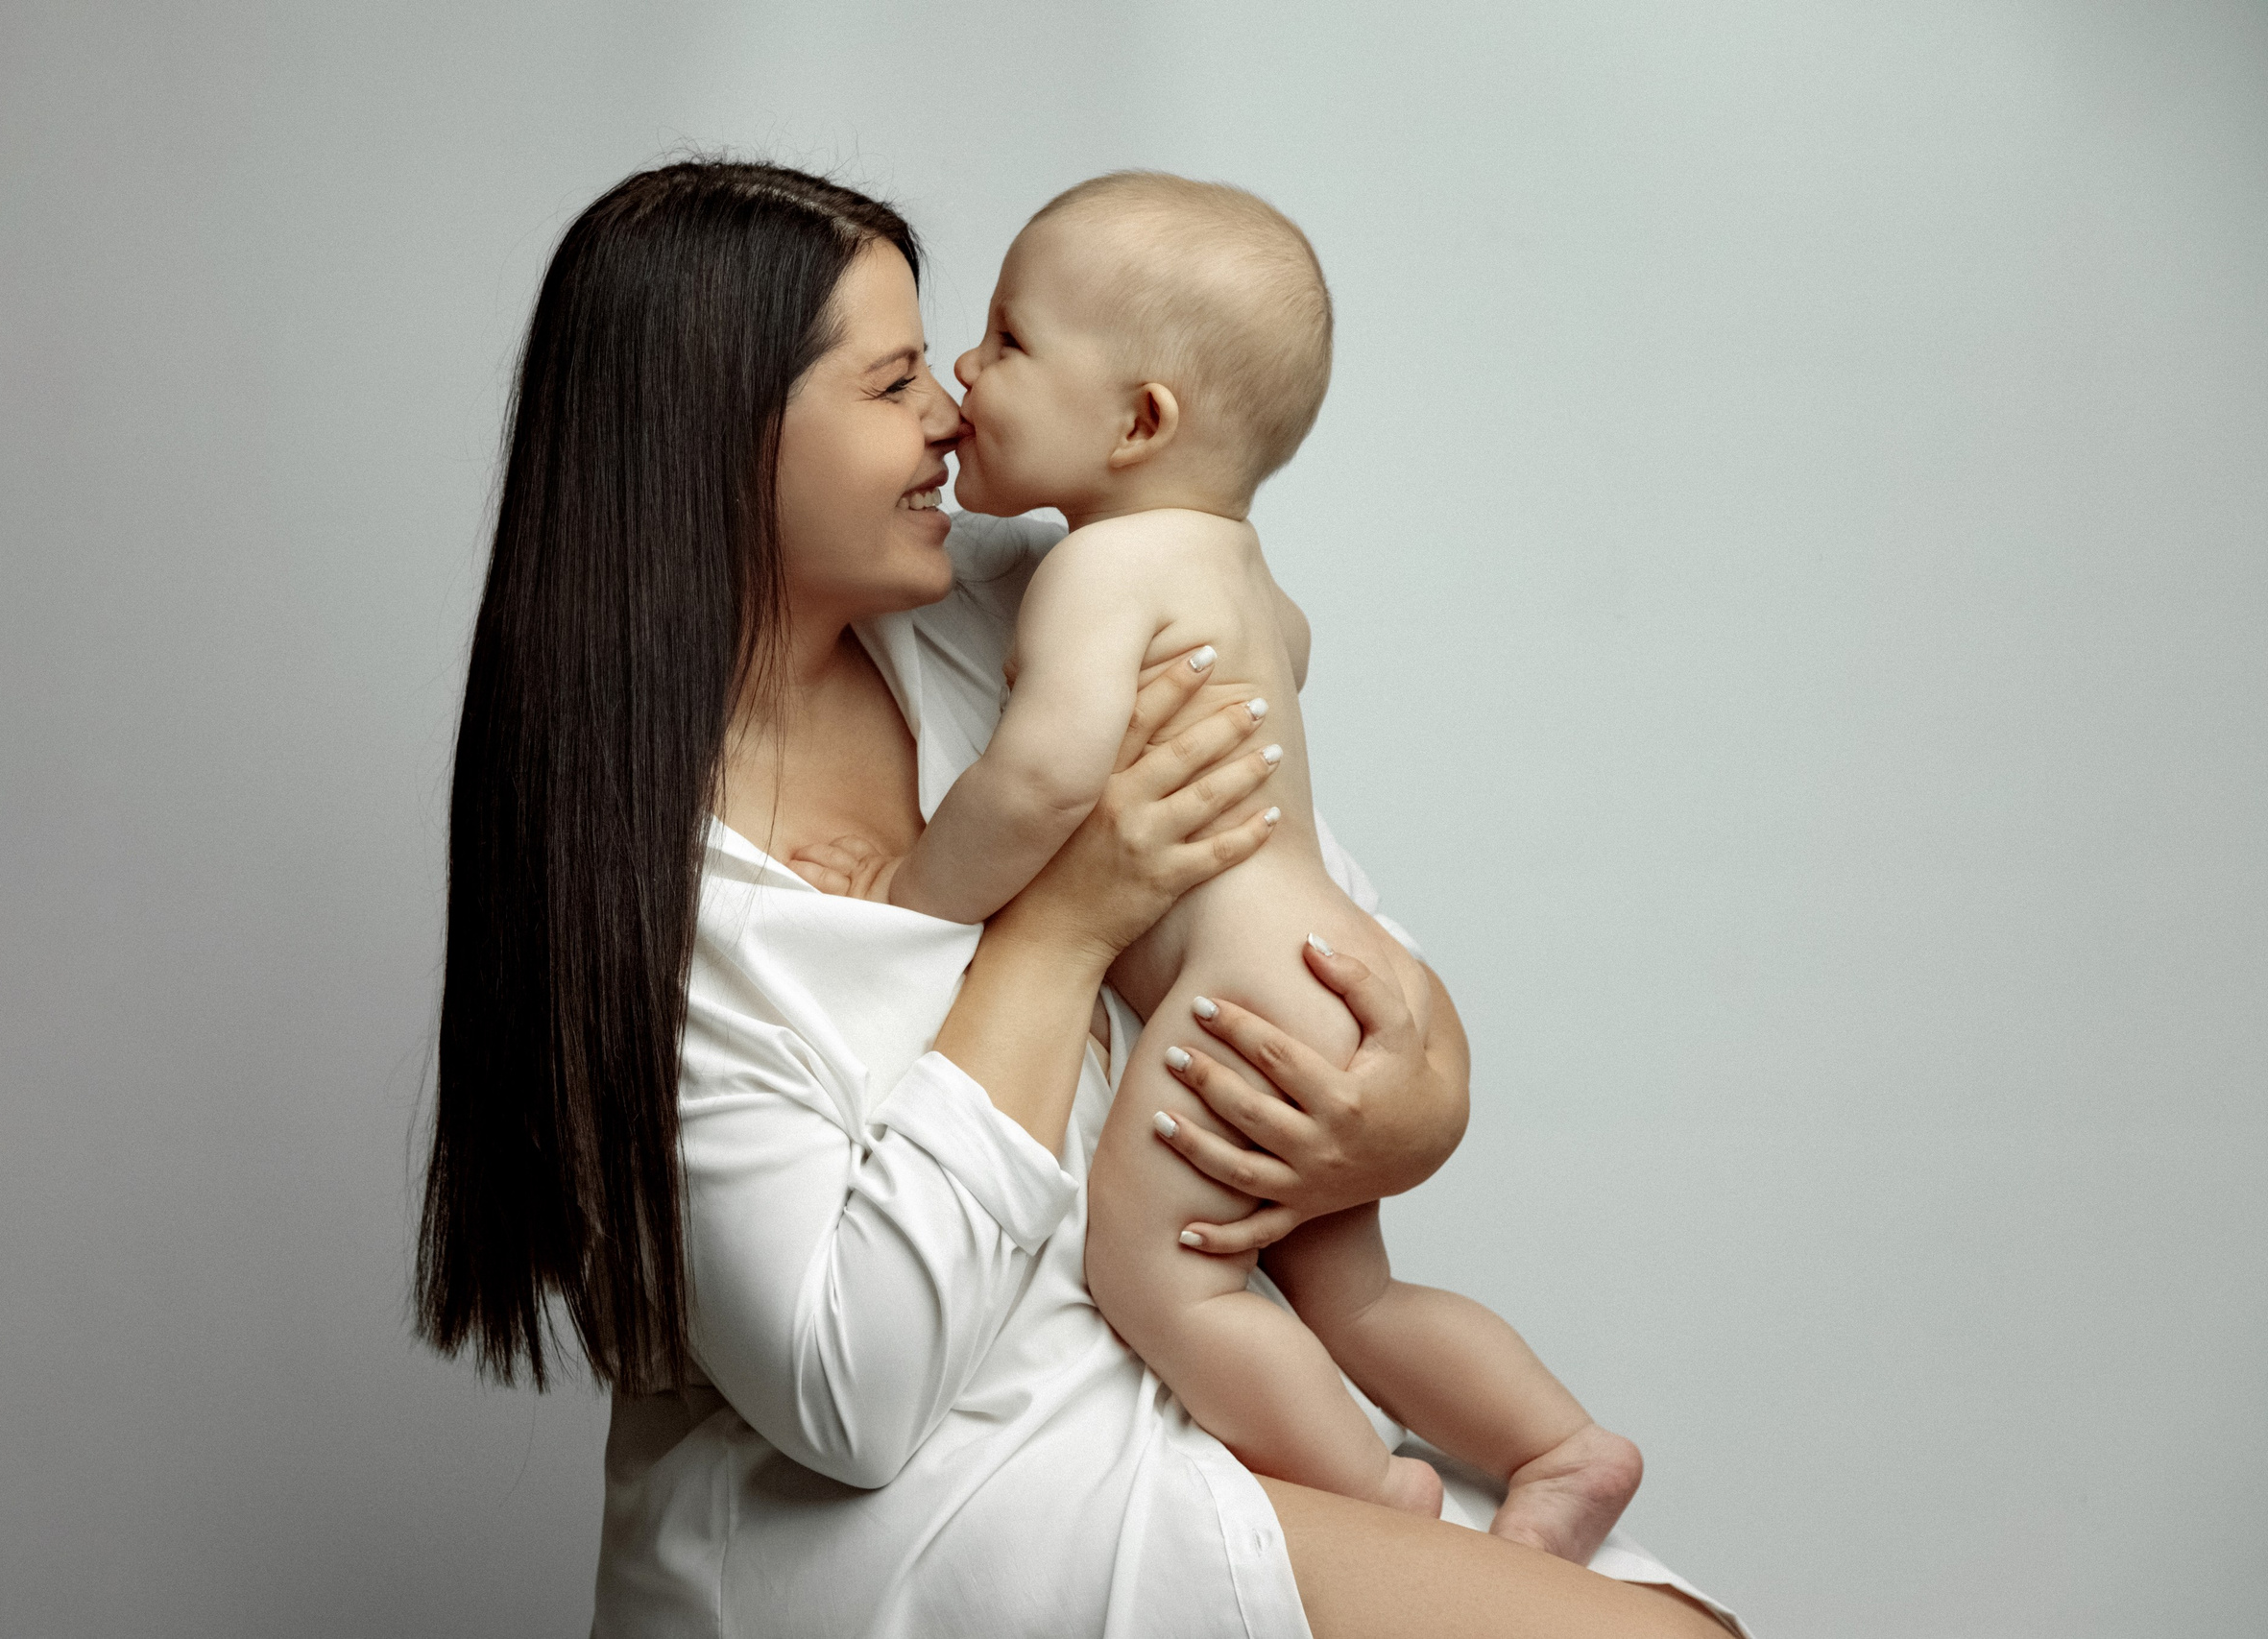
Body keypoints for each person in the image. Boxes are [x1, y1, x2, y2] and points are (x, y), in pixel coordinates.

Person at [416, 159, 1744, 1638]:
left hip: (1181, 1394)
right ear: (720, 440)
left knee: (1684, 1621)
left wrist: (1415, 1095)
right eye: (893, 379)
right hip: (909, 1516)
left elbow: (1301, 896)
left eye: (949, 358)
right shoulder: (643, 887)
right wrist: (1056, 928)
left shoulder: (1003, 600)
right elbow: (850, 1399)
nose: (949, 410)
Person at [784, 171, 1643, 1561]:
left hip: (1234, 1002)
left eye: (1005, 342)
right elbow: (1281, 671)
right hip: (1326, 970)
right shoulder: (1243, 573)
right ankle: (1558, 1445)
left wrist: (903, 895)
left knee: (1157, 1280)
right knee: (1349, 1296)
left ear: (1138, 422)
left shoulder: (1097, 574)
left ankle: (1377, 1506)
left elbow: (1047, 775)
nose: (963, 373)